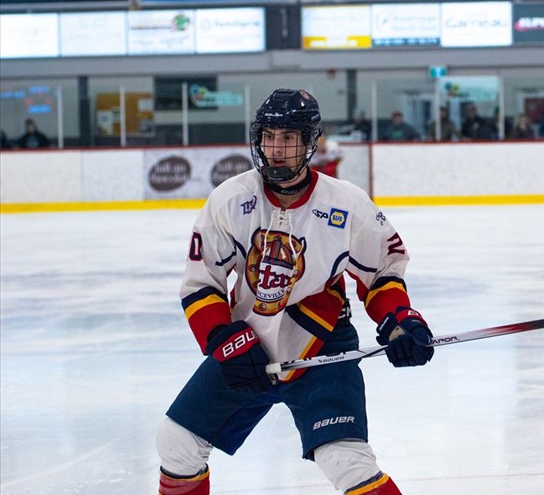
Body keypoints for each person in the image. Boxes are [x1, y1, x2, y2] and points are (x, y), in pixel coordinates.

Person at [156, 88, 435, 495]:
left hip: (321, 346)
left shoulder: (346, 204)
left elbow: (382, 274)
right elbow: (202, 284)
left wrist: (400, 322)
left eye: (289, 138)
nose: (277, 149)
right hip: (247, 343)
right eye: (270, 136)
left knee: (344, 458)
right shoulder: (230, 199)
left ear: (309, 143)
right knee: (176, 442)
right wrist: (223, 339)